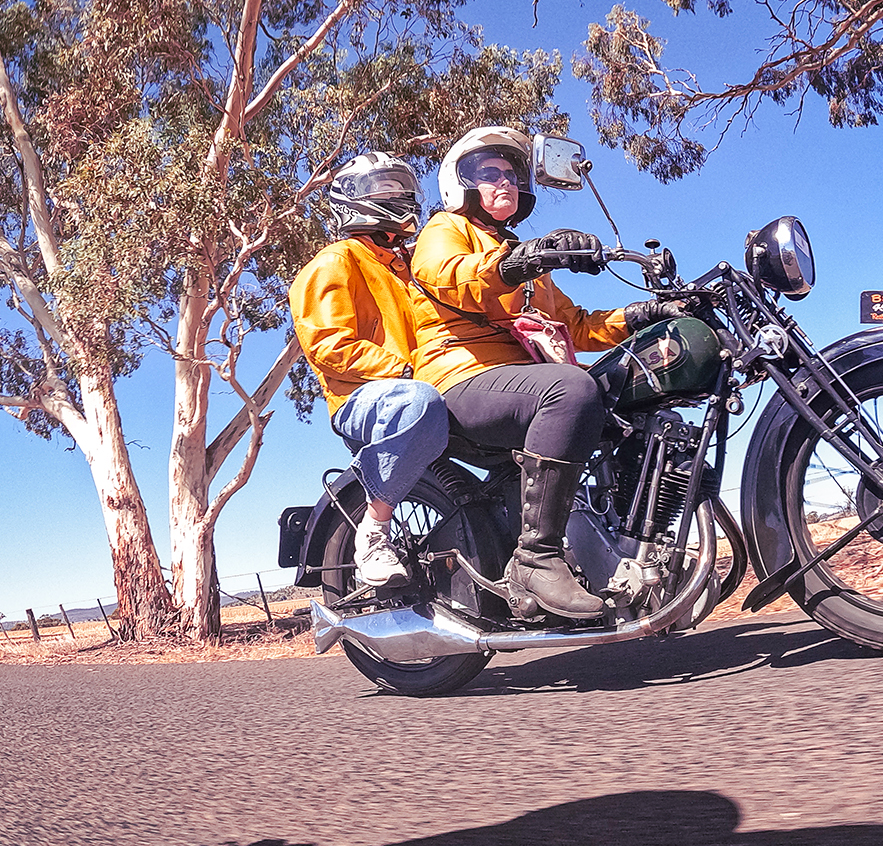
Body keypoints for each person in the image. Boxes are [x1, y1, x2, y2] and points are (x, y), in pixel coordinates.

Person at [406, 126, 683, 621]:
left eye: (512, 175)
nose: (504, 183)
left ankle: (633, 545)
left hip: (519, 384)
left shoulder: (522, 257)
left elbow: (576, 326)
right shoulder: (445, 230)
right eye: (488, 173)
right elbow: (451, 275)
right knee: (571, 390)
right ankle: (535, 558)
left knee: (627, 397)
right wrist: (526, 258)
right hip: (461, 379)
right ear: (459, 183)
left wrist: (644, 314)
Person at [288, 152, 448, 588]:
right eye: (383, 191)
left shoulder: (407, 268)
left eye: (401, 190)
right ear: (351, 202)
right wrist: (407, 368)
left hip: (424, 385)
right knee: (418, 401)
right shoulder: (335, 261)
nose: (397, 198)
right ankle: (374, 533)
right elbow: (327, 344)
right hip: (366, 398)